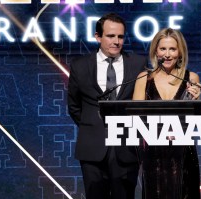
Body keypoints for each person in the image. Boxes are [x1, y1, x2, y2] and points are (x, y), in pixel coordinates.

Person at [67, 13, 148, 199]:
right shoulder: (80, 65)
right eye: (111, 36)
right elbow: (74, 106)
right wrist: (93, 127)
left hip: (126, 146)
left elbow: (144, 101)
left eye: (120, 36)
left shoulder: (138, 63)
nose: (116, 41)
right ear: (98, 37)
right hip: (92, 147)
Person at [133, 28, 201, 199]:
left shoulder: (191, 78)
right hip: (153, 154)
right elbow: (135, 118)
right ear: (155, 51)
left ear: (180, 52)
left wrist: (196, 100)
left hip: (183, 153)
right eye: (163, 48)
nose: (168, 54)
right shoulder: (144, 78)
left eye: (172, 49)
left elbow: (197, 119)